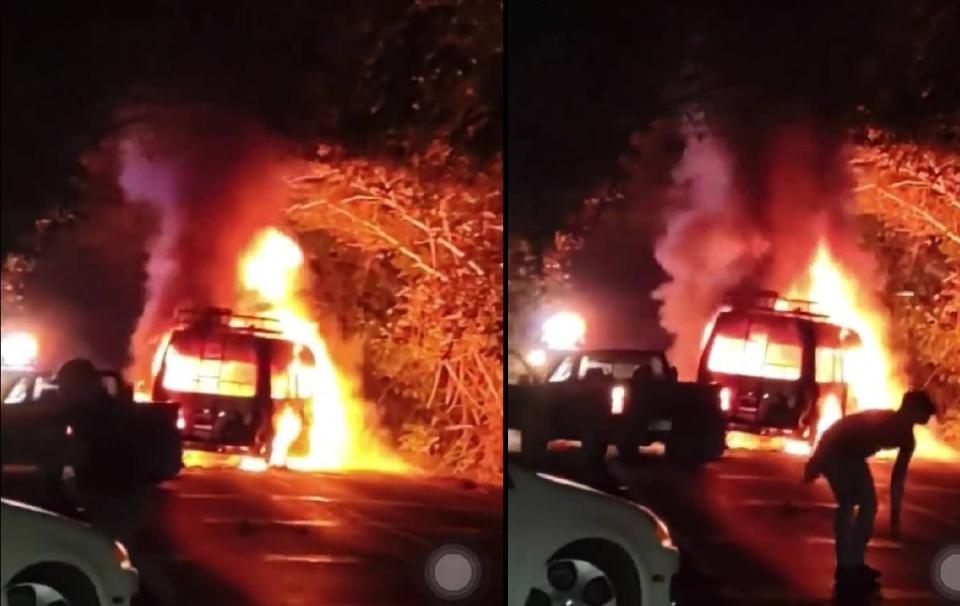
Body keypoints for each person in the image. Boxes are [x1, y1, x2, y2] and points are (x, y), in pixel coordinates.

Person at [55, 358, 177, 606]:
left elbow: (99, 452)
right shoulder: (99, 409)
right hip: (114, 492)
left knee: (118, 551)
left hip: (119, 494)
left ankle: (161, 598)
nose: (62, 392)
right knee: (119, 550)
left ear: (83, 386)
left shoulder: (100, 413)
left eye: (66, 387)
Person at [803, 390, 937, 593]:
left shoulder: (907, 440)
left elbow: (898, 479)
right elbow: (839, 428)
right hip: (835, 449)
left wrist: (895, 519)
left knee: (868, 505)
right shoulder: (882, 419)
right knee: (848, 502)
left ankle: (854, 563)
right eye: (924, 411)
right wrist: (817, 459)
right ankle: (846, 566)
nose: (927, 417)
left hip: (854, 456)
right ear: (911, 409)